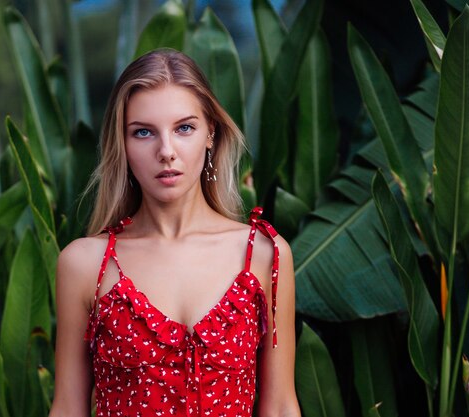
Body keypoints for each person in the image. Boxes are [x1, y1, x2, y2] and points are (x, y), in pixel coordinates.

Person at [49, 48, 299, 417]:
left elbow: (280, 407)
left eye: (184, 128)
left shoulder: (264, 254)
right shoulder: (86, 264)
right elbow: (68, 409)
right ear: (123, 144)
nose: (166, 151)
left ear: (211, 133)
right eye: (144, 132)